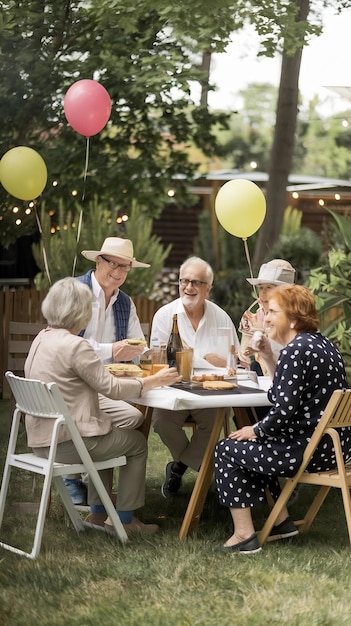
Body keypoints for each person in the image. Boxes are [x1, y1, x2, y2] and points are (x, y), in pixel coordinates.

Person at [24, 278, 181, 536]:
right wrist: (154, 381)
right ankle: (126, 520)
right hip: (66, 442)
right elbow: (113, 388)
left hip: (42, 439)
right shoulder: (76, 345)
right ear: (80, 312)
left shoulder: (42, 338)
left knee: (117, 425)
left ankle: (98, 513)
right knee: (137, 444)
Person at [214, 284, 351, 553]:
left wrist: (255, 429)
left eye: (273, 311)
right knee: (258, 447)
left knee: (227, 449)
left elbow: (283, 411)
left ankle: (244, 535)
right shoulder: (323, 345)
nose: (265, 317)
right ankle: (281, 521)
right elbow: (284, 392)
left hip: (307, 452)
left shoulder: (295, 350)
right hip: (334, 450)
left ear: (293, 317)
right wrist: (266, 353)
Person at [65, 237, 150, 504]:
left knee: (133, 418)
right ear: (98, 261)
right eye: (114, 263)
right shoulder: (74, 291)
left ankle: (98, 498)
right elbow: (65, 344)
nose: (119, 272)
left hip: (108, 384)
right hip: (74, 383)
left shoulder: (125, 302)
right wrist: (111, 350)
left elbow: (140, 345)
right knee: (131, 422)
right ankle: (78, 477)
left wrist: (153, 359)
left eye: (126, 267)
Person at [150, 256, 241, 497]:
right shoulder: (165, 315)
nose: (188, 287)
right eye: (184, 281)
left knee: (213, 423)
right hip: (174, 390)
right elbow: (160, 358)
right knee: (161, 422)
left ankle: (178, 468)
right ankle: (200, 467)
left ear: (208, 288)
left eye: (196, 282)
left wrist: (227, 361)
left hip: (210, 395)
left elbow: (235, 361)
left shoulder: (221, 317)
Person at [239, 259, 296, 376]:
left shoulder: (297, 319)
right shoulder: (252, 317)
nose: (263, 293)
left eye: (269, 287)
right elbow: (245, 359)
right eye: (261, 287)